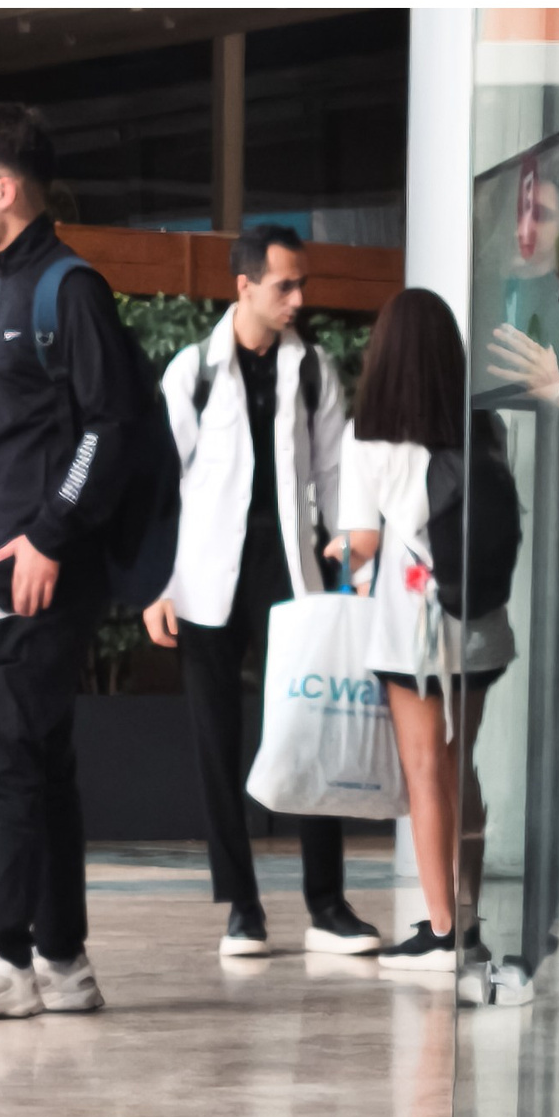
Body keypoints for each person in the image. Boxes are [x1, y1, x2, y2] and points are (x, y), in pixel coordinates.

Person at [0, 104, 132, 1023]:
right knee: (41, 762)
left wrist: (52, 531)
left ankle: (3, 958)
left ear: (2, 188)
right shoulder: (1, 293)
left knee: (2, 756)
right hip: (6, 568)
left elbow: (111, 425)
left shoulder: (68, 289)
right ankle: (61, 959)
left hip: (39, 571)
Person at [143, 224, 379, 963]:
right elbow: (158, 485)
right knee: (216, 741)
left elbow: (340, 469)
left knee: (311, 727)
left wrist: (355, 553)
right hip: (207, 577)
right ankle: (241, 908)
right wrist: (157, 583)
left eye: (301, 284)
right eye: (284, 285)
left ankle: (327, 902)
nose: (298, 298)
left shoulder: (312, 369)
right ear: (242, 286)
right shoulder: (192, 372)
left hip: (290, 570)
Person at [336, 288, 515, 978]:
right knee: (457, 766)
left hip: (412, 627)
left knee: (422, 772)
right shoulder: (483, 425)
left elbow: (360, 539)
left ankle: (441, 933)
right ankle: (463, 917)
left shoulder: (370, 435)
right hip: (480, 625)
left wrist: (345, 557)